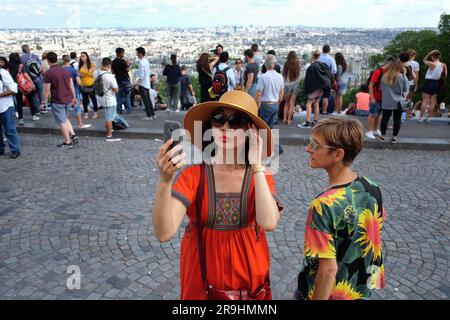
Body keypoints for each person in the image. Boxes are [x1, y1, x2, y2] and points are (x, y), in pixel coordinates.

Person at [152, 90, 283, 300]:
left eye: (237, 121)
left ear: (251, 132)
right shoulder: (194, 176)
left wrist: (257, 165)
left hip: (250, 283)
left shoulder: (260, 177)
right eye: (219, 118)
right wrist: (164, 180)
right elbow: (163, 232)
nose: (225, 127)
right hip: (203, 283)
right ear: (210, 126)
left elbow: (268, 222)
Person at [295, 116, 385, 300]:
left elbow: (327, 270)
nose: (308, 148)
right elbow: (375, 236)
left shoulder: (323, 206)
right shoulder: (372, 186)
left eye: (316, 144)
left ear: (338, 154)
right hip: (359, 291)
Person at [41, 52, 78, 148]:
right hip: (68, 98)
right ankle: (73, 135)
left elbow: (46, 90)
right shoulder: (66, 71)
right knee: (65, 118)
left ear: (48, 61)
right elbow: (71, 86)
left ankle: (67, 141)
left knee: (62, 121)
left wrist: (43, 102)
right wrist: (74, 98)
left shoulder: (48, 73)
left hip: (58, 100)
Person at [378, 59, 409, 144]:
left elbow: (381, 88)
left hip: (387, 101)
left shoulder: (385, 76)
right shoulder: (402, 76)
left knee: (385, 119)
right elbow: (406, 90)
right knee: (397, 120)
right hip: (399, 101)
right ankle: (394, 137)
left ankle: (382, 136)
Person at [299, 50, 332, 128]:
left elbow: (308, 80)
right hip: (321, 88)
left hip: (313, 88)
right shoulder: (323, 65)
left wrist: (306, 90)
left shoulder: (312, 67)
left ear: (313, 56)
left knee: (309, 103)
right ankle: (315, 121)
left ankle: (307, 122)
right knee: (316, 103)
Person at [365, 57, 394, 140]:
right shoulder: (378, 72)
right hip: (376, 96)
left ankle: (375, 129)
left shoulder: (385, 72)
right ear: (390, 64)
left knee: (378, 114)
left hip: (382, 97)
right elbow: (371, 84)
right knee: (372, 114)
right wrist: (372, 97)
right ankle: (369, 131)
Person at [95, 57, 121, 142]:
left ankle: (109, 130)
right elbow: (116, 89)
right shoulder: (109, 76)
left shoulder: (95, 73)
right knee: (109, 118)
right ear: (109, 65)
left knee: (108, 116)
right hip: (109, 99)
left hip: (100, 97)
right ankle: (109, 135)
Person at [255, 54, 284, 130]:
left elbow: (258, 93)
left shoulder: (263, 77)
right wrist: (277, 103)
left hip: (266, 105)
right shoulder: (280, 77)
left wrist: (256, 106)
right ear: (274, 64)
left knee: (262, 128)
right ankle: (271, 141)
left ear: (265, 64)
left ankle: (263, 142)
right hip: (275, 104)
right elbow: (281, 93)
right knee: (271, 128)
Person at [62, 55, 91, 130]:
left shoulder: (61, 70)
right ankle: (80, 124)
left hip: (64, 93)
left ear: (63, 60)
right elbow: (79, 82)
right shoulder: (73, 70)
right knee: (77, 108)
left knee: (66, 110)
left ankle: (66, 125)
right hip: (75, 91)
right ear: (69, 61)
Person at [420, 50, 447, 122]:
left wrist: (430, 52)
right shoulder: (443, 64)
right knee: (433, 101)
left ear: (433, 56)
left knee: (425, 100)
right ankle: (429, 118)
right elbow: (445, 75)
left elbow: (424, 60)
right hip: (436, 83)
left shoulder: (432, 64)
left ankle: (421, 118)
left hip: (428, 82)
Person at [0, 65, 21, 159]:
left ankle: (15, 150)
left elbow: (13, 89)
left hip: (5, 106)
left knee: (9, 129)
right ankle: (1, 149)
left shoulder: (3, 73)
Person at [21, 44, 48, 114]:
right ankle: (43, 108)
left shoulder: (22, 58)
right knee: (41, 93)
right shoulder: (35, 56)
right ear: (29, 49)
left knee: (33, 95)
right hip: (38, 77)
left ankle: (37, 109)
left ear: (23, 51)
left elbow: (22, 70)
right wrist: (39, 73)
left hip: (29, 79)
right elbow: (41, 66)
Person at [135, 47, 156, 120]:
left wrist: (136, 83)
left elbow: (141, 75)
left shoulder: (141, 63)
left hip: (143, 84)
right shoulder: (146, 61)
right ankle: (152, 114)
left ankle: (149, 115)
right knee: (148, 100)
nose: (136, 54)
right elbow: (149, 71)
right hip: (147, 83)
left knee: (145, 101)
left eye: (137, 53)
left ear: (140, 53)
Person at [111, 48, 132, 114]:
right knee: (127, 95)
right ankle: (128, 110)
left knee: (118, 96)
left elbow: (113, 72)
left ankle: (118, 110)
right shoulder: (123, 61)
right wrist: (128, 64)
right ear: (118, 53)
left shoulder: (113, 62)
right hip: (125, 80)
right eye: (122, 53)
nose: (123, 54)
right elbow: (127, 69)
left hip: (117, 80)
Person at [282, 51, 301, 125]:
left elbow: (283, 75)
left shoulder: (286, 64)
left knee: (286, 103)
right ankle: (289, 120)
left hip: (286, 85)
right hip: (295, 85)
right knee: (292, 103)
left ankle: (284, 119)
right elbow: (299, 76)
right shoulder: (298, 64)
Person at [78, 52, 98, 120]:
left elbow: (95, 75)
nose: (82, 57)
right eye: (81, 56)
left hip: (91, 84)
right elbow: (79, 75)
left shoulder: (91, 65)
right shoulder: (80, 65)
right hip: (83, 85)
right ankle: (86, 113)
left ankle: (95, 113)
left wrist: (90, 72)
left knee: (93, 99)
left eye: (83, 56)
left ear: (87, 57)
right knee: (84, 100)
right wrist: (81, 75)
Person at [318, 45, 337, 115]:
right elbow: (334, 70)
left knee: (317, 96)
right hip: (327, 80)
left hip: (318, 79)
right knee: (326, 96)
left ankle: (316, 110)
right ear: (329, 51)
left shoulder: (318, 58)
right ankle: (324, 111)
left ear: (322, 50)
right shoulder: (331, 59)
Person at [406, 49, 420, 117]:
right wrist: (416, 85)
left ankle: (402, 113)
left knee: (402, 98)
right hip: (411, 83)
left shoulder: (403, 62)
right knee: (409, 99)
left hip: (402, 83)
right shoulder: (416, 63)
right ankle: (408, 113)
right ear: (414, 56)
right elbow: (416, 76)